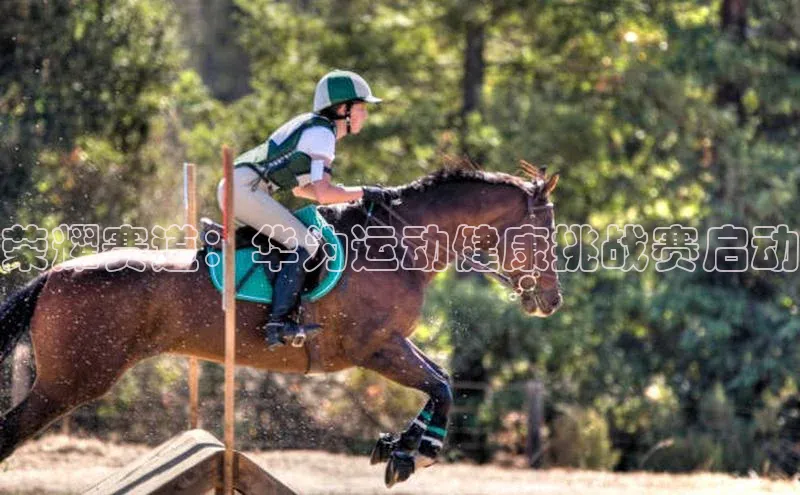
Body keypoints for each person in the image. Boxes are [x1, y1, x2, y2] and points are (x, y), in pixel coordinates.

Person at [218, 70, 398, 350]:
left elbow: (304, 190)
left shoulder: (316, 129)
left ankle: (225, 240)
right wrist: (366, 192)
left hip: (241, 187)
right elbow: (324, 194)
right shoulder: (321, 134)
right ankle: (278, 323)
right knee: (306, 242)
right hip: (244, 189)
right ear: (343, 110)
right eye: (361, 108)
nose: (365, 115)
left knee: (294, 239)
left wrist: (355, 195)